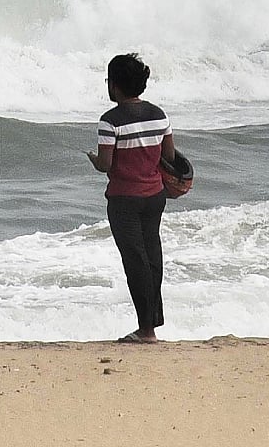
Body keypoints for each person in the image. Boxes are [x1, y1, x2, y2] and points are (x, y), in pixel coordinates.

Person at [86, 53, 175, 344]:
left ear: (115, 85)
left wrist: (94, 160)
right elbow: (169, 157)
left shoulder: (109, 121)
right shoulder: (159, 115)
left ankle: (146, 331)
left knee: (134, 261)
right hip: (155, 197)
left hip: (124, 200)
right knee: (152, 258)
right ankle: (152, 325)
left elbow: (107, 165)